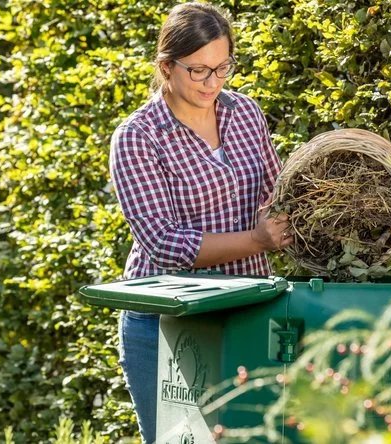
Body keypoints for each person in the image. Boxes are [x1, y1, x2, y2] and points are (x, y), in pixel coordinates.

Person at [108, 3, 293, 442]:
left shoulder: (245, 113)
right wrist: (256, 239)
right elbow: (164, 243)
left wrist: (276, 215)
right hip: (168, 322)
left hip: (246, 312)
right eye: (198, 71)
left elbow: (273, 188)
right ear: (166, 66)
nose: (213, 82)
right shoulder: (138, 136)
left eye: (222, 67)